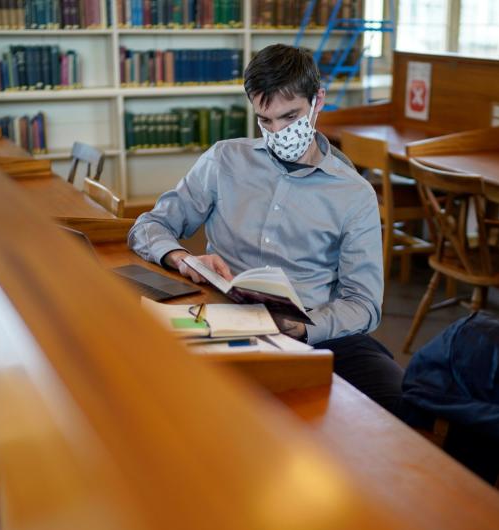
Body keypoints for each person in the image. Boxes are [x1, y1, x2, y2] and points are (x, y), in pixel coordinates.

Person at [128, 44, 405, 415]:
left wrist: (304, 329)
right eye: (265, 120)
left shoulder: (354, 194)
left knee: (401, 401)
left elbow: (364, 305)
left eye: (290, 117)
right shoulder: (225, 159)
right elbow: (151, 225)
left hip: (311, 328)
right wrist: (181, 257)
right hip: (222, 314)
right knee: (157, 385)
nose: (278, 132)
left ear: (317, 101)